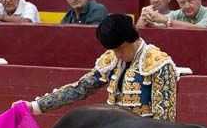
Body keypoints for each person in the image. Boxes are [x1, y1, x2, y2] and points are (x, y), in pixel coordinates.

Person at [20, 13, 178, 121]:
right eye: (114, 50)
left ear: (134, 39)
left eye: (121, 49)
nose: (117, 55)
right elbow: (81, 88)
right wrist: (35, 106)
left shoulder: (159, 64)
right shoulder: (112, 59)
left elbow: (164, 121)